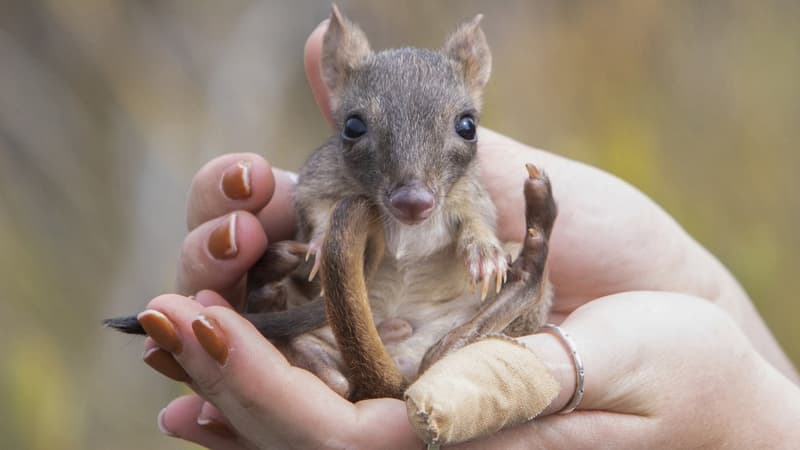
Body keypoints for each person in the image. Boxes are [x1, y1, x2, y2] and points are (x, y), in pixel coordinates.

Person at [135, 20, 800, 449]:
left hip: (448, 329)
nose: (415, 188)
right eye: (362, 134)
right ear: (338, 79)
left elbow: (478, 214)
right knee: (272, 297)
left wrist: (485, 243)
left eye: (460, 134)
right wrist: (313, 241)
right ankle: (325, 357)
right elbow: (313, 197)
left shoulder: (466, 188)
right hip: (357, 334)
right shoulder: (335, 177)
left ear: (474, 78)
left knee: (520, 270)